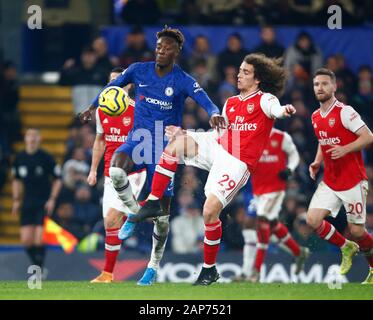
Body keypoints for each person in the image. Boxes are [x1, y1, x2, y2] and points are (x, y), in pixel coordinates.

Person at [124, 53, 296, 285]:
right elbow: (220, 134)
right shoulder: (231, 103)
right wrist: (186, 133)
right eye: (240, 70)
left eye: (246, 72)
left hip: (237, 162)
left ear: (257, 80)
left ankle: (209, 269)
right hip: (218, 145)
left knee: (209, 212)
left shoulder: (265, 100)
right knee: (176, 143)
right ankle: (154, 200)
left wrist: (284, 110)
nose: (239, 74)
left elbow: (276, 110)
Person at [79, 27, 225, 284]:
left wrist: (214, 112)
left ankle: (153, 266)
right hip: (138, 139)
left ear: (176, 51)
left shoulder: (181, 79)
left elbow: (203, 98)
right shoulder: (138, 69)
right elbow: (112, 86)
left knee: (162, 216)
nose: (161, 51)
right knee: (115, 169)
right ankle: (135, 214)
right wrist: (92, 107)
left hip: (164, 146)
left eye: (167, 48)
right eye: (158, 46)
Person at [307, 68, 373, 284]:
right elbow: (322, 140)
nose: (320, 88)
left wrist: (345, 149)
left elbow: (368, 136)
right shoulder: (315, 116)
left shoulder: (345, 112)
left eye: (325, 84)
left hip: (353, 180)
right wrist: (318, 161)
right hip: (331, 180)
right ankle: (346, 247)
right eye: (317, 84)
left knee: (357, 230)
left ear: (334, 87)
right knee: (312, 219)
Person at [88, 67, 146, 283]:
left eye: (120, 81)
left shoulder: (138, 110)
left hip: (134, 172)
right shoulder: (101, 111)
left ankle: (140, 211)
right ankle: (108, 274)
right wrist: (93, 170)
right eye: (112, 81)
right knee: (110, 224)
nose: (116, 84)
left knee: (113, 217)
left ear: (129, 85)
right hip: (110, 172)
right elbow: (100, 141)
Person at [238, 128, 309, 282]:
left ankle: (255, 271)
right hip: (257, 190)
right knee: (268, 224)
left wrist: (289, 169)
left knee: (262, 221)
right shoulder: (252, 137)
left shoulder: (281, 137)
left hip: (275, 189)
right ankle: (298, 252)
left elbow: (294, 154)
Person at [11, 128, 62, 273]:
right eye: (29, 136)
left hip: (43, 202)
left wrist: (52, 199)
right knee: (26, 241)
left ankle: (38, 270)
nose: (32, 139)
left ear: (40, 139)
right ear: (25, 139)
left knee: (39, 240)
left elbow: (58, 179)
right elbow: (16, 180)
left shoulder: (46, 157)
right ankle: (39, 266)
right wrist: (16, 199)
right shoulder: (20, 158)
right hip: (27, 201)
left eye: (35, 136)